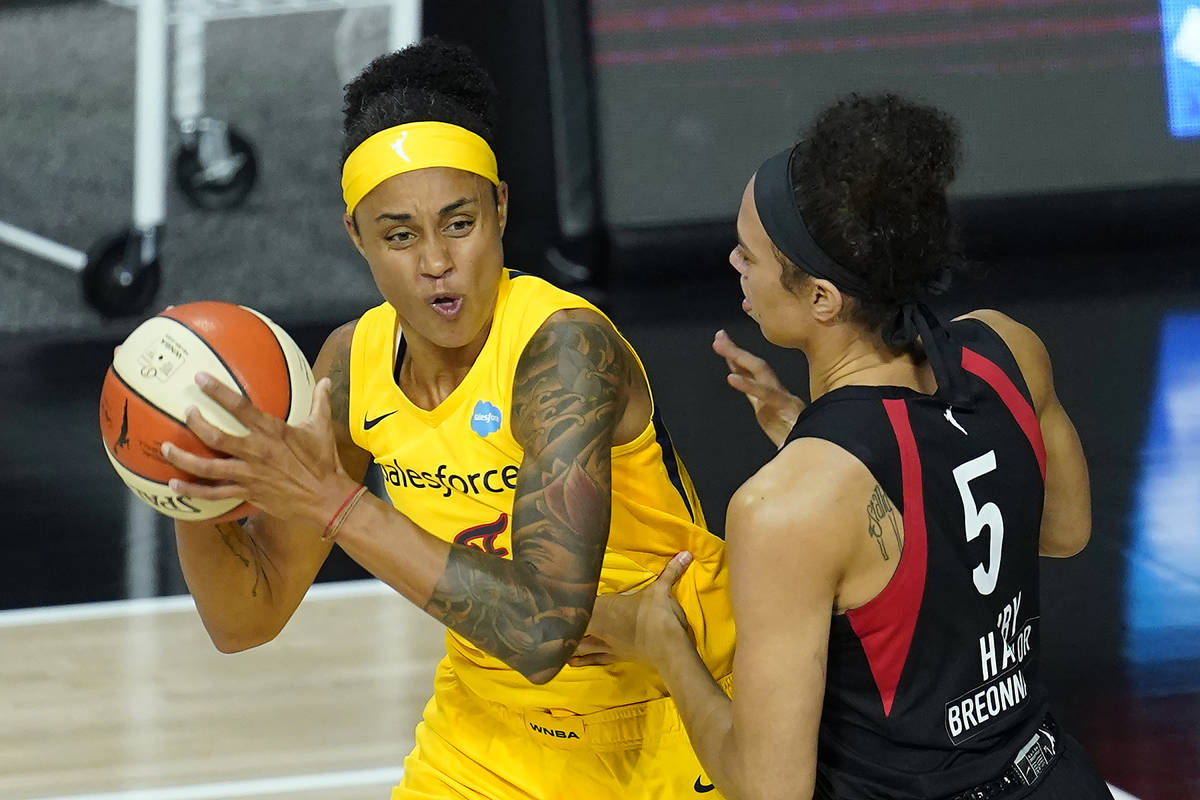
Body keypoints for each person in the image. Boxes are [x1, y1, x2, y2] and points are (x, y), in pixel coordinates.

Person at [160, 39, 735, 799]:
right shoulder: (350, 365)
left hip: (670, 717)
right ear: (356, 236)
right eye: (400, 235)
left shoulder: (564, 350)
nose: (435, 261)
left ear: (500, 208)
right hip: (487, 728)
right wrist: (184, 472)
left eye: (458, 223)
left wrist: (335, 505)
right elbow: (245, 619)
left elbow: (541, 630)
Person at [570, 94, 1116, 800]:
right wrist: (816, 438)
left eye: (748, 251)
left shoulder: (786, 507)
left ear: (822, 298)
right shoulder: (1008, 348)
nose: (733, 261)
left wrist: (663, 643)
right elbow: (1063, 532)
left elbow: (770, 791)